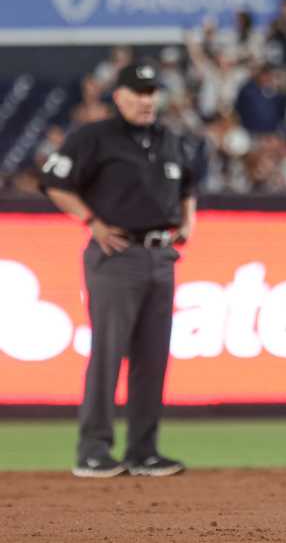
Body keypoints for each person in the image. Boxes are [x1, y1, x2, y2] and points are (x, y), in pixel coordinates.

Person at [40, 63, 196, 479]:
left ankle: (143, 450)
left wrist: (188, 220)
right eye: (138, 91)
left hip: (161, 258)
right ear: (119, 96)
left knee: (153, 358)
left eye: (152, 92)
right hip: (116, 255)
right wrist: (90, 221)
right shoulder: (94, 137)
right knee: (108, 355)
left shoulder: (169, 139)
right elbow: (53, 180)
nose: (147, 99)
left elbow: (188, 187)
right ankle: (93, 450)